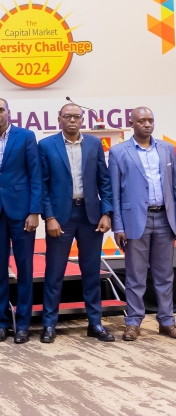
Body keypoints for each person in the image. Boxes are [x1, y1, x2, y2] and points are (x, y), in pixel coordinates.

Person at [38, 104, 114, 343]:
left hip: (91, 216)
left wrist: (107, 213)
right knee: (54, 272)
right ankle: (49, 324)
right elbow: (43, 185)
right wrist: (49, 217)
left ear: (82, 119)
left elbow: (105, 181)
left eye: (76, 116)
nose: (72, 119)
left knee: (91, 272)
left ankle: (95, 323)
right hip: (61, 217)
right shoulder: (47, 145)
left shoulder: (93, 144)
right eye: (67, 116)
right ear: (59, 119)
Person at [0, 98, 42, 344]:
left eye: (1, 110)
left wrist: (35, 211)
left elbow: (35, 175)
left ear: (8, 113)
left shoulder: (26, 137)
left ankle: (23, 323)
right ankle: (2, 322)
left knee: (25, 270)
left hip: (22, 213)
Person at [110, 107, 176, 341]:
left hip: (165, 219)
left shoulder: (168, 149)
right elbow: (115, 193)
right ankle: (133, 322)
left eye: (150, 120)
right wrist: (118, 227)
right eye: (141, 121)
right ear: (132, 123)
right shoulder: (119, 152)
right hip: (135, 221)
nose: (147, 124)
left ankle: (167, 321)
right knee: (136, 276)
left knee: (165, 275)